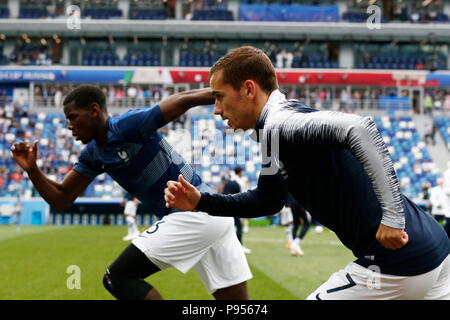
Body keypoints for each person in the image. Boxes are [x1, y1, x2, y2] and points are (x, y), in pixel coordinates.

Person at [165, 46, 450, 300]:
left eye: (219, 97)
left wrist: (392, 216)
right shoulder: (272, 135)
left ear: (249, 89)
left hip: (400, 263)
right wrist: (201, 202)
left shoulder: (280, 123)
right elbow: (268, 200)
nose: (216, 110)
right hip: (434, 252)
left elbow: (359, 129)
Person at [11, 85, 252, 300]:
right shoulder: (93, 154)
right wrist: (33, 170)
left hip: (193, 215)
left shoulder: (128, 125)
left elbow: (181, 99)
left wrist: (224, 94)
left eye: (73, 118)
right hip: (216, 215)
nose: (69, 126)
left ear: (94, 110)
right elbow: (62, 199)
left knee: (116, 278)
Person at [222, 166, 251, 254]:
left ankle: (229, 246)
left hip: (226, 206)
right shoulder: (239, 182)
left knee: (229, 227)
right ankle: (239, 246)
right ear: (240, 172)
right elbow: (241, 195)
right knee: (238, 227)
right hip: (234, 206)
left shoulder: (228, 182)